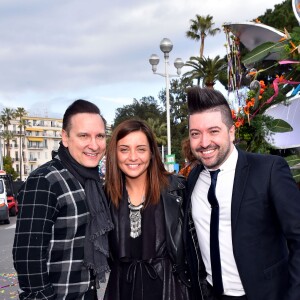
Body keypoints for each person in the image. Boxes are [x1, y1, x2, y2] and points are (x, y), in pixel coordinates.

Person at [183, 87, 300, 300]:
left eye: (213, 131)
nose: (204, 142)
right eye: (195, 134)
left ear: (231, 132)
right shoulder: (193, 179)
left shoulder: (269, 171)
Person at [13, 99, 113, 299]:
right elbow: (28, 257)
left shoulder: (91, 181)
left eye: (100, 136)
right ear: (65, 138)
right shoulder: (45, 180)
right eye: (84, 135)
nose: (94, 145)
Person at [104, 119, 191, 300]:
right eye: (124, 149)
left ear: (152, 152)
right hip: (121, 291)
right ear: (115, 154)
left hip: (169, 290)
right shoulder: (104, 196)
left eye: (141, 149)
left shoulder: (177, 189)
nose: (133, 157)